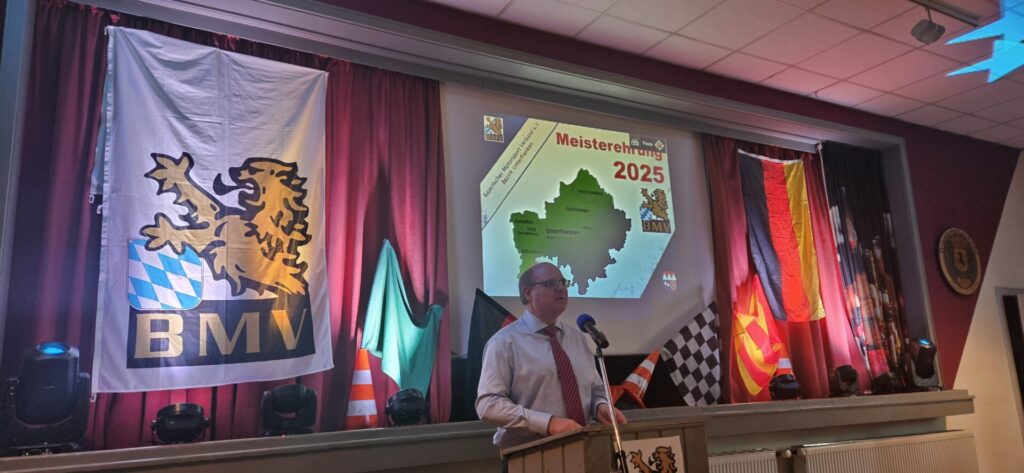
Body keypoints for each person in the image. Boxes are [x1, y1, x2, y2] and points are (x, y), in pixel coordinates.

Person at [476, 262, 627, 450]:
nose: (560, 288)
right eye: (550, 283)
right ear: (527, 293)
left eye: (563, 282)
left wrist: (601, 407)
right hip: (529, 454)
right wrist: (548, 423)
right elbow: (488, 404)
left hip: (582, 448)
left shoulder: (577, 338)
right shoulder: (504, 342)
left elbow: (595, 389)